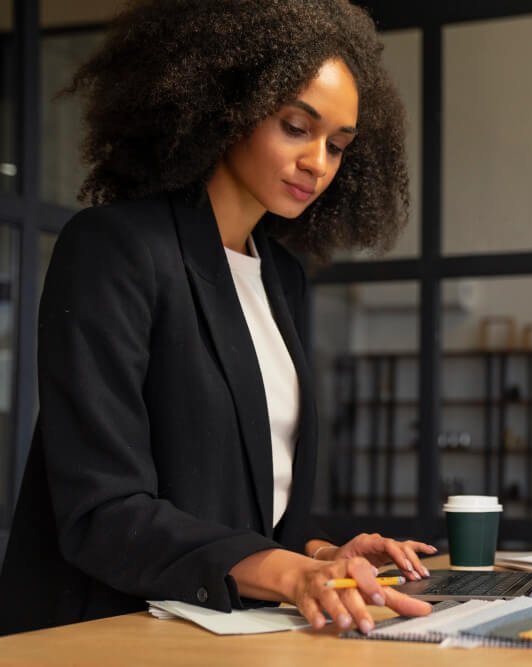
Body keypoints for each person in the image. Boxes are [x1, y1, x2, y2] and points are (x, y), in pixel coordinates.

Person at [0, 0, 435, 636]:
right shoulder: (115, 248)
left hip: (229, 631)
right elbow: (104, 510)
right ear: (227, 105)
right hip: (104, 629)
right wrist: (289, 573)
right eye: (296, 126)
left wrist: (318, 554)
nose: (319, 162)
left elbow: (242, 505)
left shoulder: (280, 276)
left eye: (338, 145)